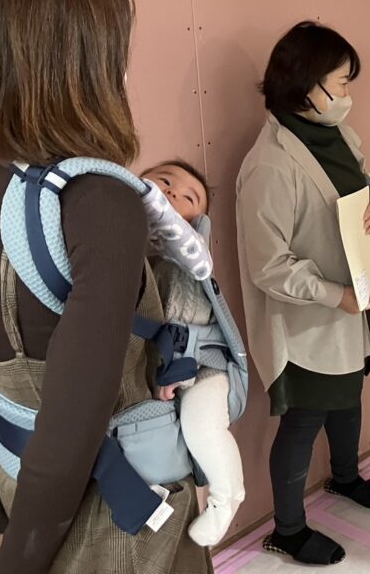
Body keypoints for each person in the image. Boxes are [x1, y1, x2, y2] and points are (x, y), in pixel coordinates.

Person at [0, 0, 210, 573]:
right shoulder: (98, 201)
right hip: (116, 517)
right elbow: (75, 424)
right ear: (76, 53)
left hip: (10, 492)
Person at [236, 21, 370, 568]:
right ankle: (288, 530)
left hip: (353, 296)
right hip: (308, 317)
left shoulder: (339, 135)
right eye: (341, 83)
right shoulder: (270, 164)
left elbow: (364, 184)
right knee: (304, 419)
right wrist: (333, 295)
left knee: (349, 394)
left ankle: (344, 478)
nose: (347, 96)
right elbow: (267, 266)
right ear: (307, 85)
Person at [142, 160, 246, 547]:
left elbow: (187, 322)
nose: (172, 193)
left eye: (189, 198)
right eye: (164, 181)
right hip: (154, 368)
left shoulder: (185, 260)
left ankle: (226, 497)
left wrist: (178, 372)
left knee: (201, 426)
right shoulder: (125, 243)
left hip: (202, 366)